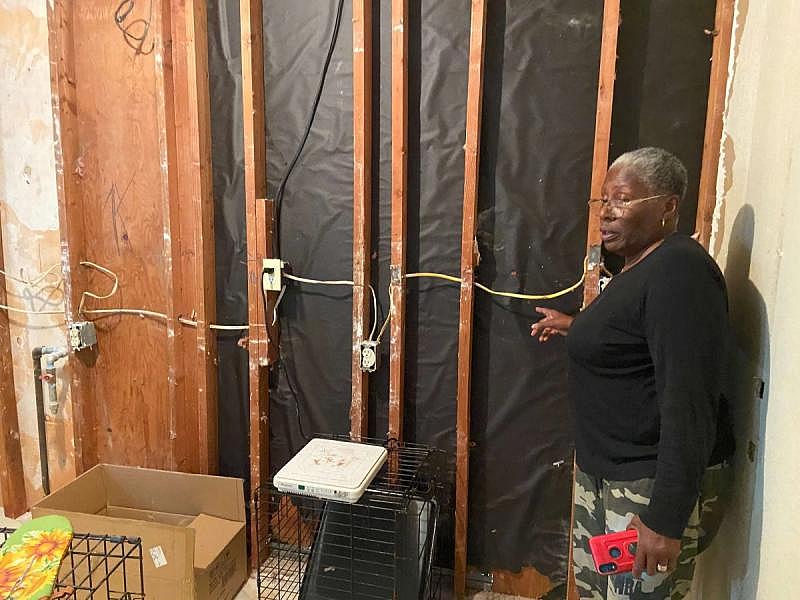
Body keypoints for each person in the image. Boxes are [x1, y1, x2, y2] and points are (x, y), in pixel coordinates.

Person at [531, 147, 734, 599]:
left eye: (622, 200)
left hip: (644, 485)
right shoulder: (640, 265)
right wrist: (575, 327)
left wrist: (665, 518)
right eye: (603, 201)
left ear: (668, 206)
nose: (607, 213)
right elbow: (633, 334)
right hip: (606, 470)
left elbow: (690, 401)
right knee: (598, 590)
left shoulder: (679, 272)